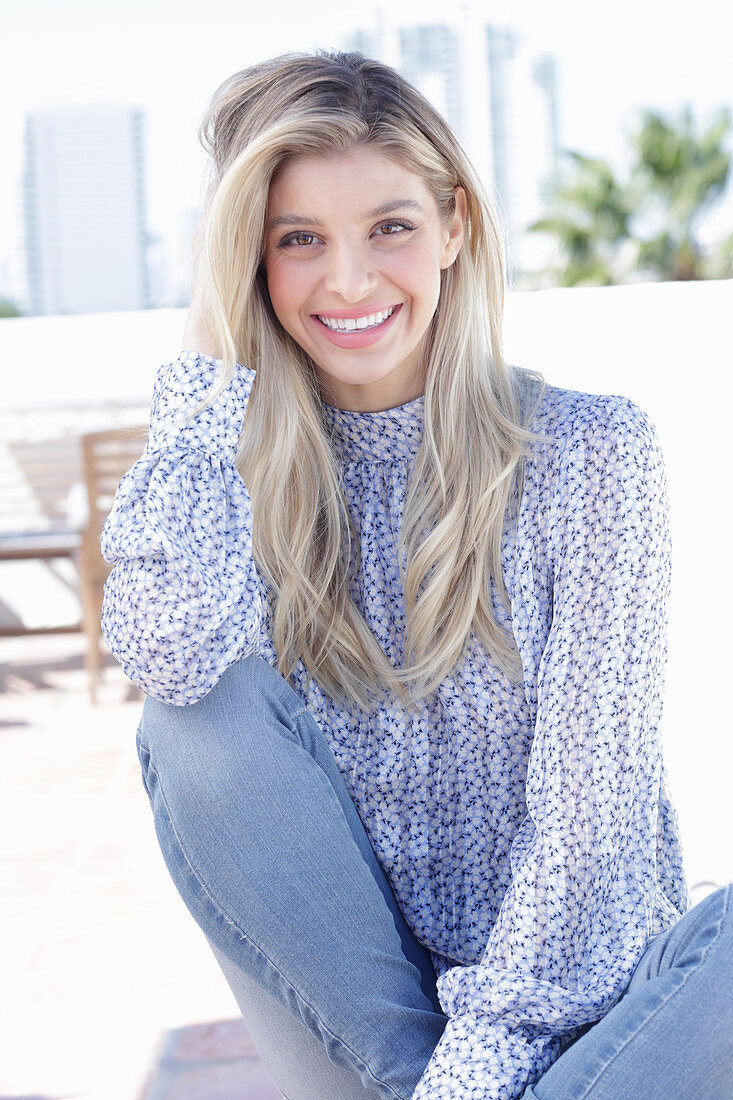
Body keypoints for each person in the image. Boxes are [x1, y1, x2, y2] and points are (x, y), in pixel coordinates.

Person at [100, 49, 732, 1100]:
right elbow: (165, 647)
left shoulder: (591, 453)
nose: (347, 280)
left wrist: (476, 1068)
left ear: (454, 226)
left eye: (388, 225)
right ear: (247, 261)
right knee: (193, 713)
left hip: (591, 1018)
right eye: (296, 240)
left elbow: (590, 831)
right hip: (370, 1036)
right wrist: (210, 359)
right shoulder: (233, 478)